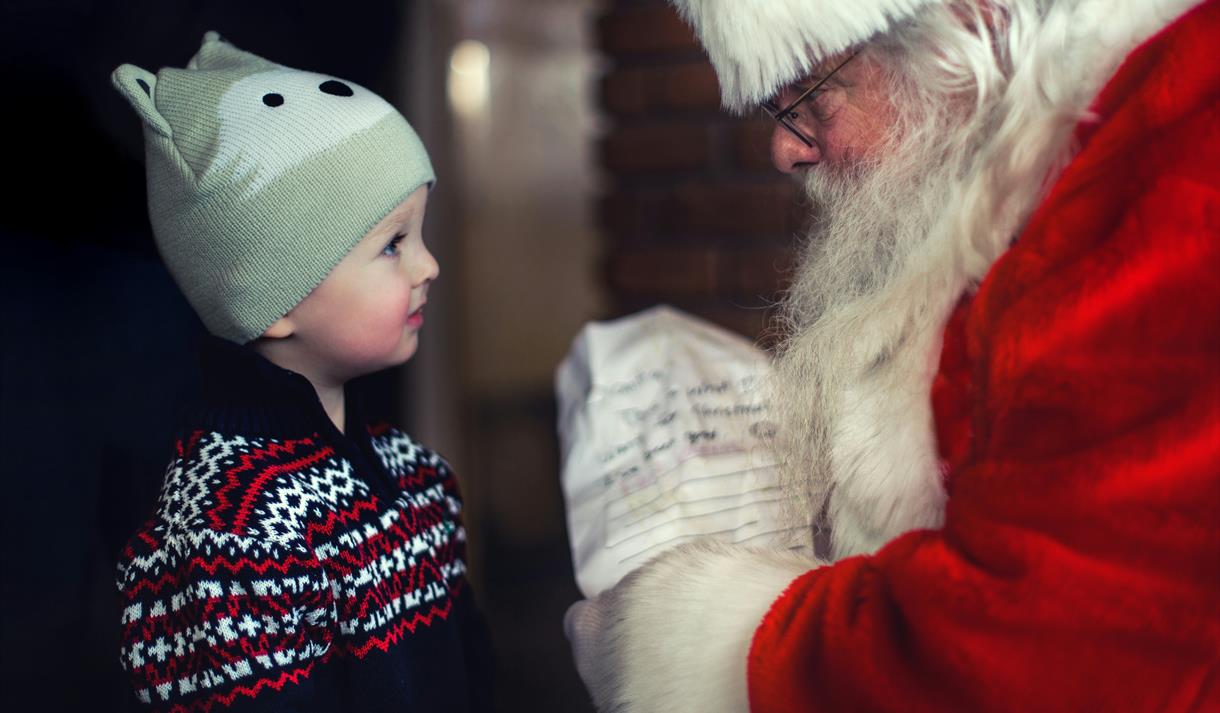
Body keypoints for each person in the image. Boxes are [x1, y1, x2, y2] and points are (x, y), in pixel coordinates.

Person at [565, 0, 1219, 710]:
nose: (785, 150)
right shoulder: (1048, 165)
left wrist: (694, 641)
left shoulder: (1179, 158)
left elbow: (1054, 646)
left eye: (810, 96)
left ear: (968, 23)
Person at [111, 32, 493, 712]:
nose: (428, 265)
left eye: (420, 236)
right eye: (393, 244)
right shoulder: (227, 538)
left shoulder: (418, 477)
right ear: (275, 299)